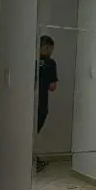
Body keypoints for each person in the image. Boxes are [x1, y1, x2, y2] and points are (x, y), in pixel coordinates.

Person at [35, 35, 58, 172]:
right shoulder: (50, 63)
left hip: (27, 103)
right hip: (41, 104)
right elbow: (52, 87)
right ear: (47, 47)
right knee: (33, 134)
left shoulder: (30, 59)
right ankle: (33, 162)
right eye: (51, 49)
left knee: (26, 133)